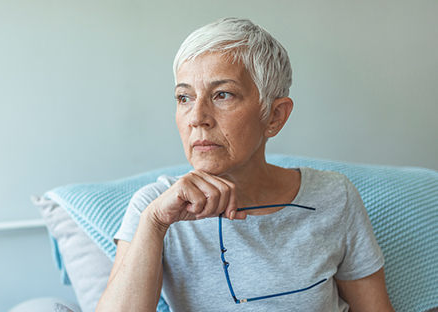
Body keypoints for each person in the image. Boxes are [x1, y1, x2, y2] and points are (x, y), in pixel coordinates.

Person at [96, 17, 395, 312]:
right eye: (184, 97)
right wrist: (155, 223)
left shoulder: (334, 197)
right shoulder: (155, 208)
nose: (197, 117)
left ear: (274, 116)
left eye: (222, 94)